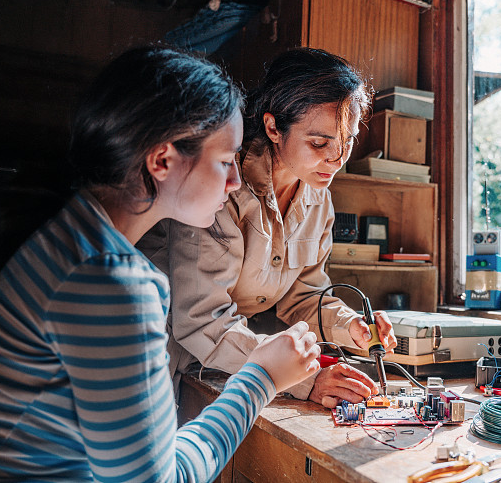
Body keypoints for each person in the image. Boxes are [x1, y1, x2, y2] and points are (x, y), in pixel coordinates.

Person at [0, 46, 321, 482]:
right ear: (162, 160)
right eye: (225, 161)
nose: (234, 182)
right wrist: (261, 377)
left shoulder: (67, 235)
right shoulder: (110, 281)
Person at [137, 48, 397, 408]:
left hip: (227, 360)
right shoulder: (220, 188)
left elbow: (302, 297)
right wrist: (305, 380)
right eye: (319, 143)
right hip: (158, 357)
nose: (337, 159)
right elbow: (201, 320)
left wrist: (350, 326)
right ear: (274, 128)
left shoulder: (318, 198)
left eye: (348, 141)